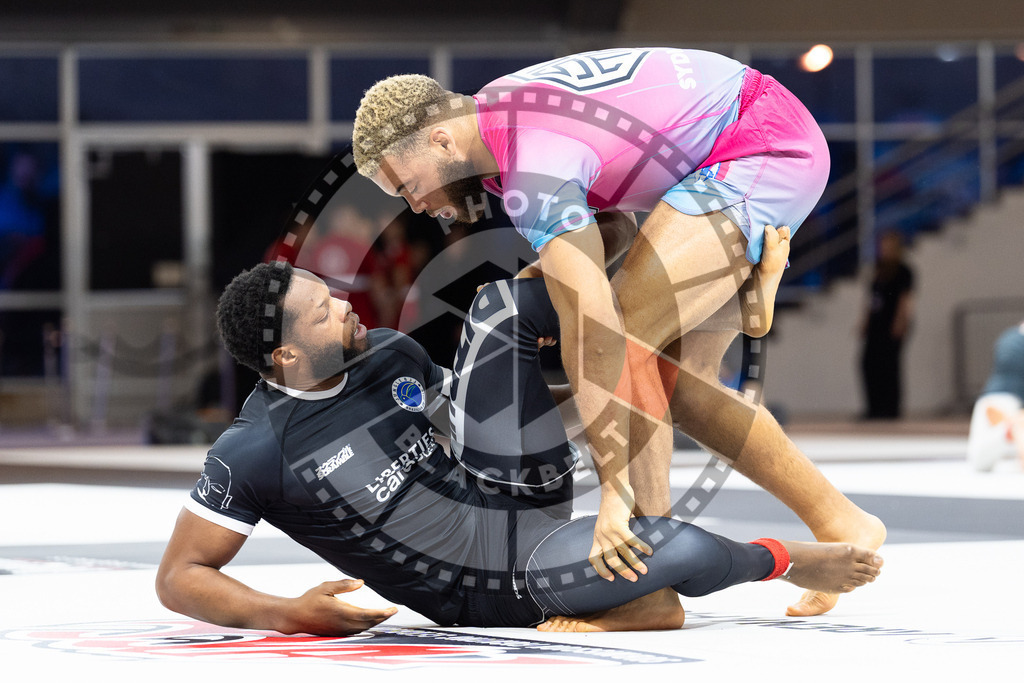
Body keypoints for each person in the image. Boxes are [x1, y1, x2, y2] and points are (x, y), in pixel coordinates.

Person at [351, 47, 886, 625]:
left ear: (440, 141)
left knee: (628, 339)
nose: (417, 206)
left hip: (759, 146)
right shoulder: (496, 121)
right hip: (734, 139)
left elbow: (597, 332)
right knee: (677, 385)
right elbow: (614, 223)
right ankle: (840, 520)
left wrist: (615, 493)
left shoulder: (532, 167)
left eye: (408, 187)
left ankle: (648, 586)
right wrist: (547, 275)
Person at [155, 263, 883, 636]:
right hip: (488, 578)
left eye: (331, 293)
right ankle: (786, 560)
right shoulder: (256, 450)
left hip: (507, 488)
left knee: (502, 306)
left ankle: (676, 299)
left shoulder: (386, 352)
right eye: (323, 311)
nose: (345, 304)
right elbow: (180, 577)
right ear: (285, 355)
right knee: (678, 546)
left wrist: (603, 388)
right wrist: (283, 612)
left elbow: (479, 414)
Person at [860, 230, 915, 419]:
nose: (884, 249)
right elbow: (872, 299)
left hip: (892, 323)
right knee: (869, 363)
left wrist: (900, 323)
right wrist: (865, 321)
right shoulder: (879, 269)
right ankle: (874, 408)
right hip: (877, 323)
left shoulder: (904, 271)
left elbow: (905, 300)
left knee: (890, 366)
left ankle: (891, 409)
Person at [967, 320, 1024, 472]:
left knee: (980, 459)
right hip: (1011, 401)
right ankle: (1012, 427)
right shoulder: (1015, 342)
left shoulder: (1008, 338)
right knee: (981, 458)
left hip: (991, 398)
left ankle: (1011, 428)